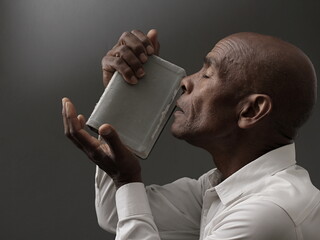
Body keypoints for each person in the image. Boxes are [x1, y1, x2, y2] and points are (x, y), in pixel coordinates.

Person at [62, 29, 320, 240]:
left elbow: (125, 199)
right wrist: (125, 102)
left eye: (207, 74)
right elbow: (117, 214)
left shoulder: (269, 213)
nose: (185, 81)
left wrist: (126, 177)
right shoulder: (220, 189)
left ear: (251, 110)